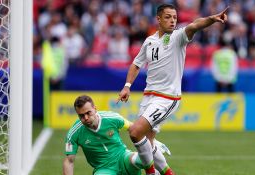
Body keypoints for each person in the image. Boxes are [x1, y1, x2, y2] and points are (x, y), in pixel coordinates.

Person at [117, 3, 229, 175]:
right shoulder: (150, 41)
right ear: (158, 19)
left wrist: (211, 20)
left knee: (134, 132)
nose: (172, 21)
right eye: (168, 17)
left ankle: (150, 172)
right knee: (148, 141)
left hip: (167, 98)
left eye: (175, 17)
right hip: (148, 97)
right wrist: (127, 86)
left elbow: (194, 25)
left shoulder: (178, 37)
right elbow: (136, 64)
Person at [63, 95, 170, 175]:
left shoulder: (112, 118)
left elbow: (134, 129)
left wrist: (152, 143)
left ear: (95, 109)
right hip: (103, 169)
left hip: (123, 158)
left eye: (88, 113)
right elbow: (69, 160)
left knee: (143, 158)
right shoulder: (74, 133)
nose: (85, 118)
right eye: (81, 115)